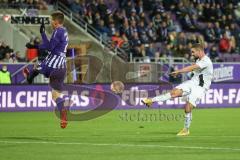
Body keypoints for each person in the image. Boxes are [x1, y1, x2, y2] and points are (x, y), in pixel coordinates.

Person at [142, 43, 213, 136]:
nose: (192, 54)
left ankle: (186, 129)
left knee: (187, 108)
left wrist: (179, 71)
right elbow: (193, 70)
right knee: (174, 93)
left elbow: (192, 68)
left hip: (201, 87)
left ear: (199, 51)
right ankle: (151, 100)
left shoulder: (206, 61)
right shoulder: (198, 59)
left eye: (193, 52)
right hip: (192, 83)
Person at [23, 11, 69, 129]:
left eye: (50, 20)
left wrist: (37, 42)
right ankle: (63, 112)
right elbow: (51, 46)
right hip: (62, 66)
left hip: (53, 62)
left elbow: (49, 47)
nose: (50, 22)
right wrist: (42, 35)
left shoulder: (58, 31)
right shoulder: (64, 31)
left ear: (55, 21)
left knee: (37, 67)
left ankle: (30, 77)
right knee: (55, 95)